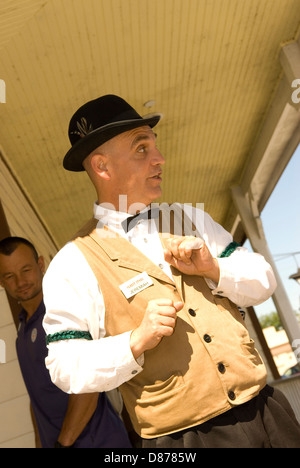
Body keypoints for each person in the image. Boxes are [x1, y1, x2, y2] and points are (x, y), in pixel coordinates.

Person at [42, 94, 300, 448]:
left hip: (267, 413)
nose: (159, 159)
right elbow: (63, 365)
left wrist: (214, 268)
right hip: (182, 442)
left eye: (155, 146)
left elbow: (263, 280)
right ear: (102, 167)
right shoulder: (71, 263)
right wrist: (134, 342)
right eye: (141, 149)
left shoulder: (191, 218)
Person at [0, 236, 131, 448]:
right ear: (1, 281)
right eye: (9, 276)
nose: (20, 281)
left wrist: (64, 443)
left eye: (26, 270)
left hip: (98, 442)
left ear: (41, 265)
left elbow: (90, 381)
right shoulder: (23, 331)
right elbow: (37, 399)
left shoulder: (62, 316)